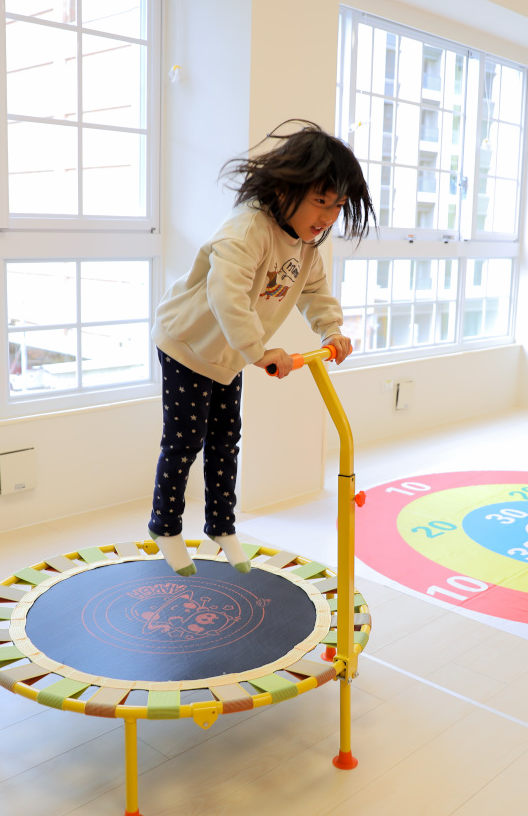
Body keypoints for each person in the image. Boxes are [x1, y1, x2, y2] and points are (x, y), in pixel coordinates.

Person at [148, 120, 375, 576]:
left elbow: (314, 291)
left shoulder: (307, 244)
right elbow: (225, 294)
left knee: (226, 441)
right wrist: (258, 350)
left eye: (339, 206)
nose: (328, 217)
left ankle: (221, 525)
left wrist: (330, 330)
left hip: (229, 355)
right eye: (320, 202)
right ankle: (166, 526)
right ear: (287, 187)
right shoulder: (247, 228)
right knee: (185, 440)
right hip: (188, 344)